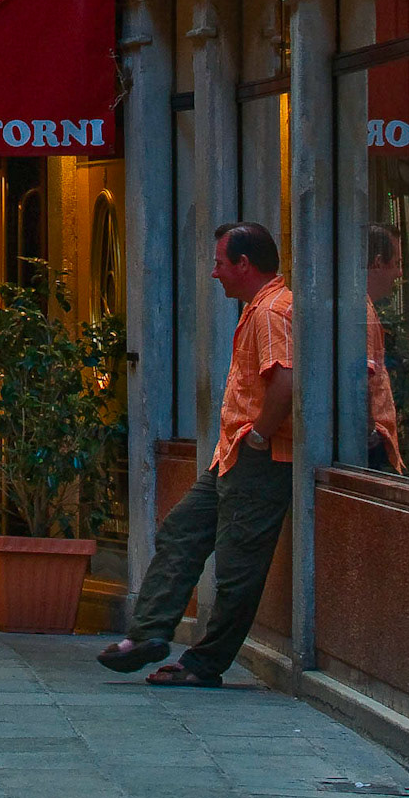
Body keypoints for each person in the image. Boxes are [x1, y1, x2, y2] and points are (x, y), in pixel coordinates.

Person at [99, 221, 293, 688]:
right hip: (232, 455)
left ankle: (204, 664)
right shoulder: (258, 308)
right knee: (181, 533)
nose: (214, 273)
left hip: (257, 457)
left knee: (237, 568)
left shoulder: (272, 312)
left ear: (244, 265)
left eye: (219, 263)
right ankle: (147, 635)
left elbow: (285, 382)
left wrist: (260, 437)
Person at [366, 223, 404, 472]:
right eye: (398, 263)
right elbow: (359, 380)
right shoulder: (362, 314)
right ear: (379, 263)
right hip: (370, 447)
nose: (399, 273)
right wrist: (369, 433)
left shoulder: (362, 308)